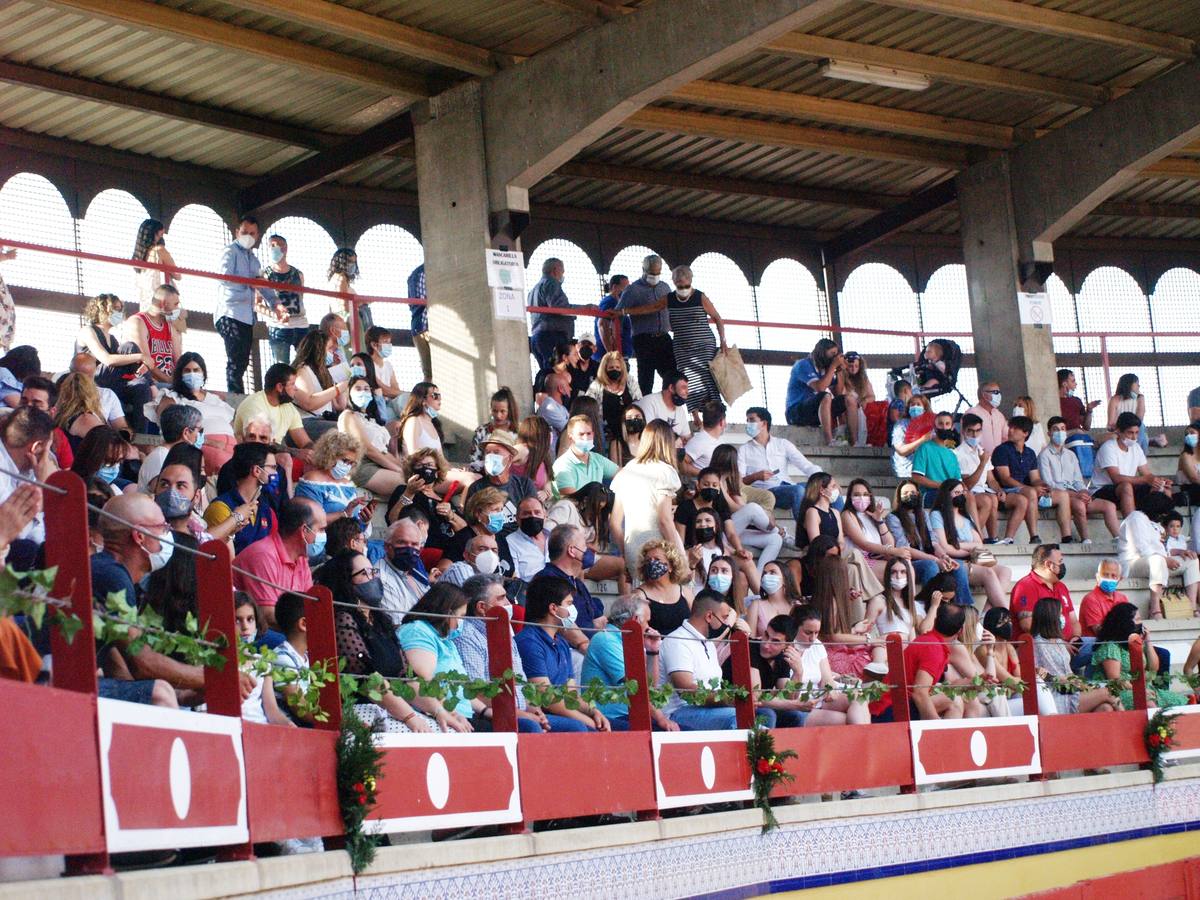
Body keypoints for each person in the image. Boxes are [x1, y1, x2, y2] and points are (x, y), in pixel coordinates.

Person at [90, 494, 206, 708]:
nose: (168, 534)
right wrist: (209, 677)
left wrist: (183, 695)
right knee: (159, 693)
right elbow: (142, 663)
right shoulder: (112, 575)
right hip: (47, 677)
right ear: (139, 536)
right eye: (163, 527)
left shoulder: (107, 570)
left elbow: (122, 674)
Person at [323, 549, 439, 732]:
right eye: (364, 573)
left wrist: (440, 712)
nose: (372, 578)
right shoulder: (343, 619)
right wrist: (410, 717)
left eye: (373, 571)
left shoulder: (381, 621)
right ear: (345, 581)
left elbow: (405, 679)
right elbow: (367, 677)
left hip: (394, 709)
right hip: (362, 710)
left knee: (447, 729)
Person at [516, 577, 610, 732]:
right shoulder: (529, 642)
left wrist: (594, 712)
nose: (573, 610)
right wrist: (589, 722)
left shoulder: (562, 643)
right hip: (542, 715)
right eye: (569, 604)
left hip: (562, 712)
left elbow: (571, 695)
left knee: (623, 727)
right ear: (553, 608)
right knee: (581, 728)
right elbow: (549, 699)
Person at [582, 594, 675, 731]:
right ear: (636, 620)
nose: (649, 627)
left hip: (630, 716)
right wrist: (661, 719)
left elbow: (650, 687)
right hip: (609, 718)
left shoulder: (627, 640)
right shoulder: (605, 639)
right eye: (647, 621)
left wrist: (652, 651)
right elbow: (637, 689)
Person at [661, 589, 748, 731]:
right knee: (738, 717)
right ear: (709, 616)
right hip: (678, 712)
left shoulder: (707, 643)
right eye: (725, 617)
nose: (727, 623)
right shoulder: (677, 641)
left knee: (763, 715)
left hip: (710, 710)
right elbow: (686, 692)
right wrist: (728, 699)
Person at [397, 583, 477, 733]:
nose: (461, 623)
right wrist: (449, 712)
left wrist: (485, 710)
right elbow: (422, 680)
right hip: (438, 715)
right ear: (448, 613)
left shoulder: (446, 640)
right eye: (461, 616)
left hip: (461, 714)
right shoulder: (418, 631)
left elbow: (462, 688)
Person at [232, 497, 323, 628]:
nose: (323, 535)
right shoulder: (263, 555)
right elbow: (268, 616)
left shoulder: (301, 559)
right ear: (304, 530)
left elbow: (308, 608)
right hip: (251, 634)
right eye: (321, 529)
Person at [870, 602, 967, 722]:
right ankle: (941, 740)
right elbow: (919, 693)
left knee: (952, 696)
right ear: (960, 631)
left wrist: (972, 682)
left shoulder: (928, 640)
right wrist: (937, 725)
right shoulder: (934, 648)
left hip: (891, 705)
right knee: (954, 701)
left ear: (935, 621)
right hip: (890, 711)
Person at [779, 606, 869, 727]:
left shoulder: (817, 644)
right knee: (844, 720)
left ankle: (866, 740)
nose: (813, 638)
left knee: (859, 697)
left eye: (817, 632)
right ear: (794, 628)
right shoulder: (784, 649)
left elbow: (827, 678)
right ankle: (865, 741)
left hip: (819, 698)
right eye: (808, 632)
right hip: (800, 706)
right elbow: (789, 697)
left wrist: (829, 689)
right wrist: (798, 672)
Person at [929, 479, 1012, 610]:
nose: (960, 495)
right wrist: (970, 548)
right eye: (956, 492)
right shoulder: (937, 515)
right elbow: (945, 547)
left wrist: (959, 545)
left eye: (962, 492)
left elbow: (979, 544)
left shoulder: (966, 517)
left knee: (1005, 571)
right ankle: (1005, 612)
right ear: (947, 494)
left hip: (972, 559)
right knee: (989, 573)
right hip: (955, 562)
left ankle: (986, 614)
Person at [611, 419, 684, 567]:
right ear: (667, 443)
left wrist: (626, 553)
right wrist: (680, 558)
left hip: (633, 552)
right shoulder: (665, 471)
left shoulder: (627, 470)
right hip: (660, 550)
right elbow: (665, 520)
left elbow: (614, 523)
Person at [216, 215, 275, 393]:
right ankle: (236, 399)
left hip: (247, 318)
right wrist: (250, 282)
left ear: (257, 236)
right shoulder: (229, 252)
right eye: (244, 232)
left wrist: (276, 304)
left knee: (242, 361)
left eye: (252, 233)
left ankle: (238, 396)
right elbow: (225, 278)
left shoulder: (254, 260)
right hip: (230, 313)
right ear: (236, 232)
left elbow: (263, 285)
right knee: (235, 360)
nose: (247, 236)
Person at [1030, 597, 1117, 715]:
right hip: (1057, 695)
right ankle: (1130, 725)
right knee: (1109, 692)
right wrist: (1059, 679)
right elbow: (1035, 672)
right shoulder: (1036, 643)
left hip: (1073, 690)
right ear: (1050, 617)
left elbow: (1067, 670)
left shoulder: (1059, 642)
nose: (1063, 618)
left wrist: (1078, 682)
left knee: (1106, 708)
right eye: (1060, 614)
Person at [1092, 603, 1187, 710]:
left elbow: (1154, 668)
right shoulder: (1111, 646)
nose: (1141, 623)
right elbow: (1115, 679)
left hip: (1142, 688)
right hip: (1119, 692)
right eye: (1137, 619)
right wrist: (1139, 691)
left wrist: (1148, 641)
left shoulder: (1134, 642)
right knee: (1149, 704)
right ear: (1125, 623)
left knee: (1181, 702)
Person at [73, 294, 148, 428]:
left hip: (112, 382)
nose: (119, 313)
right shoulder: (88, 331)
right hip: (91, 380)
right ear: (102, 310)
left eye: (120, 309)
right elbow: (107, 359)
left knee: (141, 387)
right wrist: (141, 357)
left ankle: (140, 438)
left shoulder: (112, 338)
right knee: (129, 347)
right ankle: (151, 384)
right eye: (115, 309)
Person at [1040, 415, 1117, 542]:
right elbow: (1049, 483)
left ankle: (1118, 537)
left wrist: (1084, 492)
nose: (1060, 432)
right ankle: (1086, 539)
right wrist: (1075, 495)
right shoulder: (1044, 455)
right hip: (1059, 496)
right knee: (1080, 505)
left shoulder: (1071, 455)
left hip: (1076, 494)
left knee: (1109, 506)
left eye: (1063, 429)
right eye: (1056, 429)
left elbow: (1078, 481)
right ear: (1049, 433)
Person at [156, 352, 236, 474]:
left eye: (196, 370)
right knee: (229, 469)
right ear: (180, 374)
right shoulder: (172, 397)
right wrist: (210, 442)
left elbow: (234, 428)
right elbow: (170, 429)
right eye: (187, 371)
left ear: (203, 373)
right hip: (201, 448)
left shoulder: (216, 399)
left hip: (230, 447)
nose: (192, 374)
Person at [666, 264, 726, 425]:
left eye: (686, 285)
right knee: (686, 379)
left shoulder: (700, 297)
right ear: (674, 283)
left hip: (704, 345)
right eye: (680, 286)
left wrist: (723, 341)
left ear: (691, 281)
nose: (683, 288)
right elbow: (649, 308)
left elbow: (717, 318)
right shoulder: (670, 299)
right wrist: (624, 311)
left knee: (707, 377)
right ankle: (695, 417)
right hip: (682, 346)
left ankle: (717, 414)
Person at [737, 406, 820, 520]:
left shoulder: (782, 444)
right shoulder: (744, 449)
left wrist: (824, 479)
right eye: (747, 421)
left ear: (764, 423)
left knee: (824, 487)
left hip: (787, 486)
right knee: (798, 490)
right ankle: (804, 534)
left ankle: (838, 535)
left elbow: (805, 465)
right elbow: (738, 482)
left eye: (751, 420)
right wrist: (755, 476)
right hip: (767, 492)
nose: (748, 424)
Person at [1119, 507, 1199, 619]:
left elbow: (1164, 550)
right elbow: (1143, 549)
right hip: (1133, 563)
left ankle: (1191, 607)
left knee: (1192, 559)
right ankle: (1155, 610)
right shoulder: (1136, 517)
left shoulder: (1156, 525)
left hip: (1159, 562)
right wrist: (1166, 560)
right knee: (1157, 559)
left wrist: (1180, 552)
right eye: (1162, 514)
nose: (1163, 517)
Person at [1092, 412, 1174, 516]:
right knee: (1126, 486)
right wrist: (1145, 479)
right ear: (1119, 431)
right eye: (1130, 433)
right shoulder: (1108, 448)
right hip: (1103, 491)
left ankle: (1163, 524)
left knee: (1161, 488)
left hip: (1128, 489)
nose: (1134, 437)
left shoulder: (1136, 448)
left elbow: (1147, 474)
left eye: (1136, 433)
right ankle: (1133, 525)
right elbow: (1116, 478)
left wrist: (1159, 481)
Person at [616, 254, 675, 395]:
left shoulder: (665, 288)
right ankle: (645, 412)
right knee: (646, 380)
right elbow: (618, 313)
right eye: (651, 273)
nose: (655, 276)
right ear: (644, 269)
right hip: (644, 340)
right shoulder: (632, 290)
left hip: (664, 338)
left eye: (658, 273)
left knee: (672, 377)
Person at [205, 442, 277, 555]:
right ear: (257, 470)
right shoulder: (221, 508)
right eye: (272, 467)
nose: (276, 473)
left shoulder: (266, 511)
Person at [339, 375, 406, 496]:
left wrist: (405, 468)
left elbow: (383, 452)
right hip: (362, 466)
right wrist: (397, 469)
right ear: (349, 393)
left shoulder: (372, 420)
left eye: (366, 389)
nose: (363, 392)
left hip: (378, 462)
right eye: (358, 389)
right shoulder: (349, 415)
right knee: (409, 484)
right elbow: (368, 450)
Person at [232, 363, 313, 462]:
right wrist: (296, 452)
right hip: (251, 458)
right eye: (292, 384)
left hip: (273, 457)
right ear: (279, 387)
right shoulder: (254, 404)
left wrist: (314, 452)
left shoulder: (289, 407)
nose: (296, 388)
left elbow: (305, 442)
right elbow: (259, 443)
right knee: (285, 458)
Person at [785, 338, 858, 446]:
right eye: (832, 353)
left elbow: (838, 393)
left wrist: (839, 371)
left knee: (850, 399)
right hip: (796, 412)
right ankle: (829, 441)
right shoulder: (803, 365)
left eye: (836, 354)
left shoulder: (825, 370)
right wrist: (833, 366)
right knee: (825, 396)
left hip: (815, 412)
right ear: (823, 352)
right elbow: (820, 388)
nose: (834, 357)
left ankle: (855, 443)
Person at [0, 407, 55, 547]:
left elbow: (38, 536)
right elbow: (16, 534)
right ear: (36, 447)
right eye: (48, 448)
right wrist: (44, 488)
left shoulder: (29, 471)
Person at [992, 415, 1051, 544]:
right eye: (1010, 427)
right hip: (1004, 490)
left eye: (1015, 428)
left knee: (1033, 494)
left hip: (1022, 491)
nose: (1010, 430)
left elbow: (1035, 478)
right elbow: (1005, 478)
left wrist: (1043, 486)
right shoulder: (1001, 450)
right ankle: (1034, 536)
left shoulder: (1030, 453)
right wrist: (1028, 488)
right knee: (1030, 493)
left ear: (1025, 433)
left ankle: (1010, 538)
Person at [465, 429, 535, 536]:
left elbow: (532, 519)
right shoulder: (476, 488)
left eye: (496, 452)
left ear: (510, 459)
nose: (491, 456)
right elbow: (471, 524)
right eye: (488, 453)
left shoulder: (524, 485)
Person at [294, 430, 373, 525]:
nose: (347, 466)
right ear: (330, 456)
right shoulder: (312, 480)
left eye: (352, 463)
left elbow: (355, 522)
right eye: (345, 460)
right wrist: (344, 514)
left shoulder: (348, 484)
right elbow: (310, 521)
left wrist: (364, 521)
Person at [841, 478, 910, 583]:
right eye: (857, 494)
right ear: (850, 497)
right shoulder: (847, 514)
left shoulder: (872, 515)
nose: (861, 498)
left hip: (878, 558)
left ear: (870, 496)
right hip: (860, 561)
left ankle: (909, 599)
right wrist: (893, 551)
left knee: (905, 563)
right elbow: (863, 544)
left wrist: (880, 521)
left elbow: (889, 543)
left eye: (865, 494)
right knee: (896, 570)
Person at [1009, 543, 1079, 639]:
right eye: (1060, 561)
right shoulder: (1026, 586)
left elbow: (1074, 621)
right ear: (1049, 565)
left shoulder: (1061, 586)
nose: (1062, 565)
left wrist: (1076, 638)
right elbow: (1027, 625)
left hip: (1069, 645)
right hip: (1043, 647)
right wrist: (1058, 644)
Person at [257, 234, 307, 365]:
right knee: (282, 366)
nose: (276, 248)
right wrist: (275, 313)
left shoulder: (298, 274)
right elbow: (256, 304)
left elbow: (301, 298)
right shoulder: (264, 275)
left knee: (305, 364)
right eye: (272, 245)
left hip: (300, 324)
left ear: (286, 248)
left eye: (279, 245)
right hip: (278, 326)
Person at [290, 329, 348, 440]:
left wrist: (339, 373)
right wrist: (337, 389)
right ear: (319, 350)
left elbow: (340, 405)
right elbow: (308, 403)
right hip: (305, 423)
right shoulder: (302, 370)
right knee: (347, 431)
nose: (333, 353)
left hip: (324, 419)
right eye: (330, 349)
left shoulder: (324, 371)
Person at [633, 539, 695, 637]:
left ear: (671, 566)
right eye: (648, 560)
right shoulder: (639, 595)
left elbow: (695, 624)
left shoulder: (685, 593)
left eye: (657, 559)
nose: (652, 563)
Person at [124, 283, 182, 387]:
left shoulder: (170, 327)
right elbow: (146, 362)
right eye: (176, 304)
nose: (178, 308)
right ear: (163, 304)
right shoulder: (138, 322)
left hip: (169, 384)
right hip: (148, 383)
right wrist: (171, 382)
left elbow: (179, 362)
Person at [585, 352, 642, 453]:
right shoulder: (596, 385)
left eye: (617, 367)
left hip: (629, 430)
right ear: (604, 369)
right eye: (611, 367)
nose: (614, 369)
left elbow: (639, 403)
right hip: (606, 432)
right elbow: (588, 407)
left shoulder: (630, 382)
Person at [955, 413, 999, 541]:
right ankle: (972, 537)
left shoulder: (982, 451)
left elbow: (991, 480)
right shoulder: (957, 453)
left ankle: (992, 538)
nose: (974, 435)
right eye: (971, 431)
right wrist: (982, 463)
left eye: (978, 430)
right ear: (963, 431)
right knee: (987, 500)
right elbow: (967, 484)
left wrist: (999, 490)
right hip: (967, 493)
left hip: (982, 491)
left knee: (994, 498)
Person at [527, 257, 576, 371]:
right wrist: (584, 308)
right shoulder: (551, 283)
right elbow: (560, 307)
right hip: (552, 336)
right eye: (562, 271)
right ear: (555, 270)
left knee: (547, 371)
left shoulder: (533, 290)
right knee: (557, 371)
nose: (563, 275)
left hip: (537, 337)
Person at [553, 414, 618, 498]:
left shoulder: (597, 459)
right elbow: (573, 499)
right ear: (570, 437)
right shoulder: (562, 465)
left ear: (593, 434)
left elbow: (622, 474)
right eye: (581, 434)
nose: (586, 438)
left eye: (588, 433)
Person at [378, 517, 431, 617]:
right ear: (387, 546)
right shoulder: (381, 578)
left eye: (414, 544)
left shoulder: (415, 572)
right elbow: (397, 624)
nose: (409, 548)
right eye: (402, 542)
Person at [911, 411, 963, 508]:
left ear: (952, 428)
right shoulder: (924, 448)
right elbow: (916, 477)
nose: (944, 427)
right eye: (940, 424)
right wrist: (942, 486)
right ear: (934, 427)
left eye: (947, 424)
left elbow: (958, 482)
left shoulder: (952, 455)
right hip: (930, 493)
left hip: (950, 493)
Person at [132, 218, 178, 315]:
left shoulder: (137, 258)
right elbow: (177, 275)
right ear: (154, 234)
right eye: (160, 235)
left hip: (146, 305)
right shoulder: (159, 250)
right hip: (162, 302)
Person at [1107, 373, 1161, 455]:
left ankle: (1135, 452)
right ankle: (1136, 453)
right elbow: (1111, 423)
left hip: (1135, 430)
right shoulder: (1115, 400)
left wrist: (1141, 399)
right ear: (1129, 384)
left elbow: (1139, 419)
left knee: (1141, 426)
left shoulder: (1140, 398)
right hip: (1120, 430)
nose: (1138, 386)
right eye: (1136, 383)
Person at [71, 425, 133, 496]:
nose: (115, 467)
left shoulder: (115, 490)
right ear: (92, 457)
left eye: (119, 461)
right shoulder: (73, 489)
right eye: (109, 461)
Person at [469, 387, 519, 474]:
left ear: (510, 411)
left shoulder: (518, 433)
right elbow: (474, 460)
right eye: (495, 411)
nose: (498, 416)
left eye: (502, 411)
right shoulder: (482, 431)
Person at [327, 247, 368, 343]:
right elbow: (344, 305)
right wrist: (360, 303)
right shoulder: (342, 278)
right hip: (349, 320)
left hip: (337, 321)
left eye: (354, 262)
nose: (352, 265)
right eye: (349, 261)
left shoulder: (333, 279)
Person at [746, 561, 796, 638]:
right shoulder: (756, 605)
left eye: (772, 572)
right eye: (764, 573)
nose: (766, 576)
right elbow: (749, 639)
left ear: (785, 579)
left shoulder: (797, 606)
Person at [507, 495, 550, 584]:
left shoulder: (555, 538)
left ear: (545, 516)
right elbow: (515, 580)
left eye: (537, 512)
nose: (532, 517)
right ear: (517, 519)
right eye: (527, 513)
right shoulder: (509, 542)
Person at [1079, 559, 1125, 640]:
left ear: (1120, 579)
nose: (1109, 578)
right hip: (1095, 646)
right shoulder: (1090, 599)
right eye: (1105, 575)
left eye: (1113, 576)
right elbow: (1100, 632)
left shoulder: (1122, 598)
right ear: (1098, 576)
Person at [891, 394, 932, 479]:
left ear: (924, 409)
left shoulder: (932, 425)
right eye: (912, 405)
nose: (915, 407)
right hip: (905, 470)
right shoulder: (901, 425)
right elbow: (901, 450)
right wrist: (922, 440)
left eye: (918, 404)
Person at [398, 382, 444, 456]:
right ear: (423, 400)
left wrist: (452, 468)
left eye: (440, 396)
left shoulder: (433, 424)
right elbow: (413, 455)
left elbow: (442, 459)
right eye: (435, 396)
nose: (439, 399)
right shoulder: (413, 421)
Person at [966, 381, 1008, 454]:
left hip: (998, 461)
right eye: (995, 392)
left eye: (999, 392)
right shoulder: (972, 413)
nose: (999, 395)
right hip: (978, 460)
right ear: (984, 395)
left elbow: (1006, 437)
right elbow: (966, 439)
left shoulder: (999, 415)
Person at [595, 275, 632, 358]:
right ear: (615, 287)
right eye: (625, 288)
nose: (627, 291)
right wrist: (611, 354)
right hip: (610, 358)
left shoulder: (619, 305)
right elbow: (602, 324)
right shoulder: (610, 302)